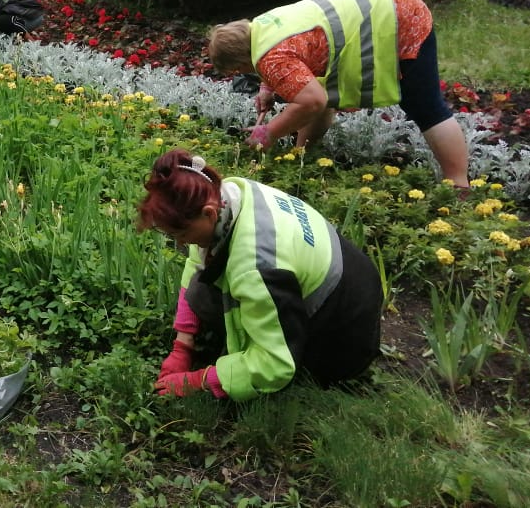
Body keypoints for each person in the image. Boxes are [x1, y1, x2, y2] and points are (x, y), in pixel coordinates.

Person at [138, 149, 382, 401]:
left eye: (181, 235)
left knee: (276, 363)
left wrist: (200, 380)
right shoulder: (227, 195)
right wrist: (182, 346)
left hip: (344, 336)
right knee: (203, 289)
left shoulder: (257, 266)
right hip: (352, 278)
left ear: (209, 213)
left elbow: (274, 365)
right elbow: (196, 266)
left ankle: (314, 363)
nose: (179, 243)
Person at [208, 0, 469, 188]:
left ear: (240, 63)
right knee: (320, 92)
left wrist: (268, 134)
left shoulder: (271, 57)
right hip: (389, 2)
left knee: (424, 106)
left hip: (400, 19)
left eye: (240, 71)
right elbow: (315, 93)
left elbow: (312, 102)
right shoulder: (262, 26)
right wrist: (267, 88)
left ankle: (459, 187)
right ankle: (301, 157)